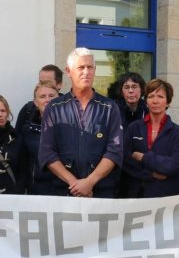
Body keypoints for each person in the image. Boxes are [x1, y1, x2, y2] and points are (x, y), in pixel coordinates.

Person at [39, 47, 123, 198]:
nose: (86, 72)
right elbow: (47, 153)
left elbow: (114, 151)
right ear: (68, 71)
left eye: (90, 67)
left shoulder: (109, 108)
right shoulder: (54, 108)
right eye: (81, 67)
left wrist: (89, 182)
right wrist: (75, 184)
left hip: (101, 193)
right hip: (64, 193)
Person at [122, 78, 179, 198]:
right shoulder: (134, 127)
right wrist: (151, 174)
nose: (155, 101)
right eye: (151, 96)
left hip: (165, 196)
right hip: (135, 195)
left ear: (168, 102)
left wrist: (144, 157)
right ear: (146, 101)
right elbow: (125, 160)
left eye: (160, 97)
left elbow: (175, 164)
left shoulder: (177, 132)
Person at [20, 81, 59, 194]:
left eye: (51, 96)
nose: (48, 100)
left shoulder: (73, 127)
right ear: (35, 102)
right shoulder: (27, 130)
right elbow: (22, 162)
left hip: (66, 189)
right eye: (42, 96)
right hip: (37, 191)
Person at [15, 64, 63, 133]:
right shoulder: (28, 110)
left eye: (47, 82)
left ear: (59, 85)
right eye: (41, 82)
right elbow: (17, 138)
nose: (43, 85)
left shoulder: (71, 109)